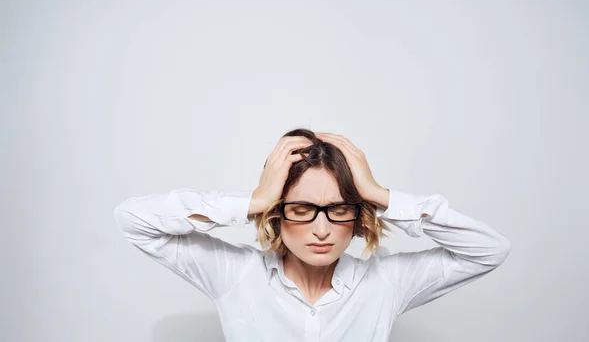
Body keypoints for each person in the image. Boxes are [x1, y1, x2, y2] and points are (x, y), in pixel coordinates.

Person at [113, 128, 511, 342]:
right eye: (301, 210)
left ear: (357, 217)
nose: (321, 229)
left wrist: (379, 194)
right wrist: (253, 200)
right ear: (277, 214)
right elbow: (134, 220)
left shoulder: (385, 283)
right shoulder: (235, 275)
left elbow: (489, 250)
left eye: (338, 210)